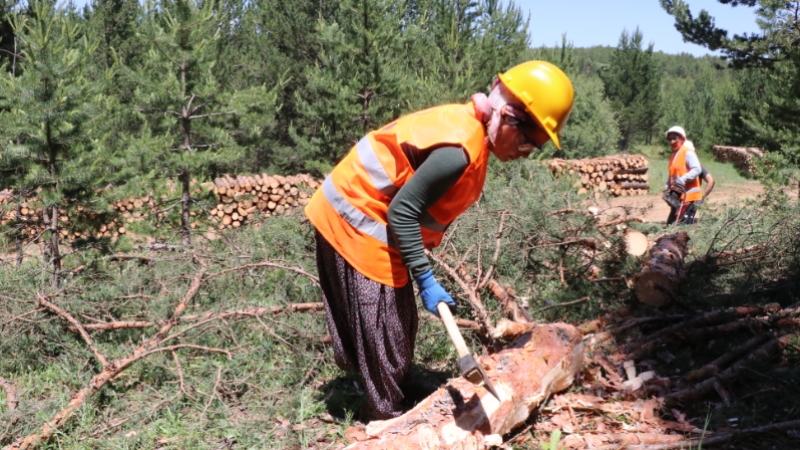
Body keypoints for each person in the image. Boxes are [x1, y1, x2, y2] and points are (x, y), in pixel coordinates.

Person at [304, 61, 574, 421]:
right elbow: (402, 213)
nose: (527, 152)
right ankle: (385, 420)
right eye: (529, 140)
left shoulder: (473, 135)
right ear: (509, 115)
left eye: (536, 147)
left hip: (377, 222)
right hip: (356, 216)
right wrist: (425, 279)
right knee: (385, 330)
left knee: (397, 328)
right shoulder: (459, 148)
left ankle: (392, 385)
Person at [663, 126, 702, 225]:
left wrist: (682, 180)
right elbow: (672, 174)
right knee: (671, 226)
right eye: (670, 139)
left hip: (688, 197)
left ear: (682, 139)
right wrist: (667, 186)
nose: (672, 141)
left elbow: (697, 169)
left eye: (674, 138)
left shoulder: (688, 152)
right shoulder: (673, 156)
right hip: (677, 197)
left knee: (682, 230)